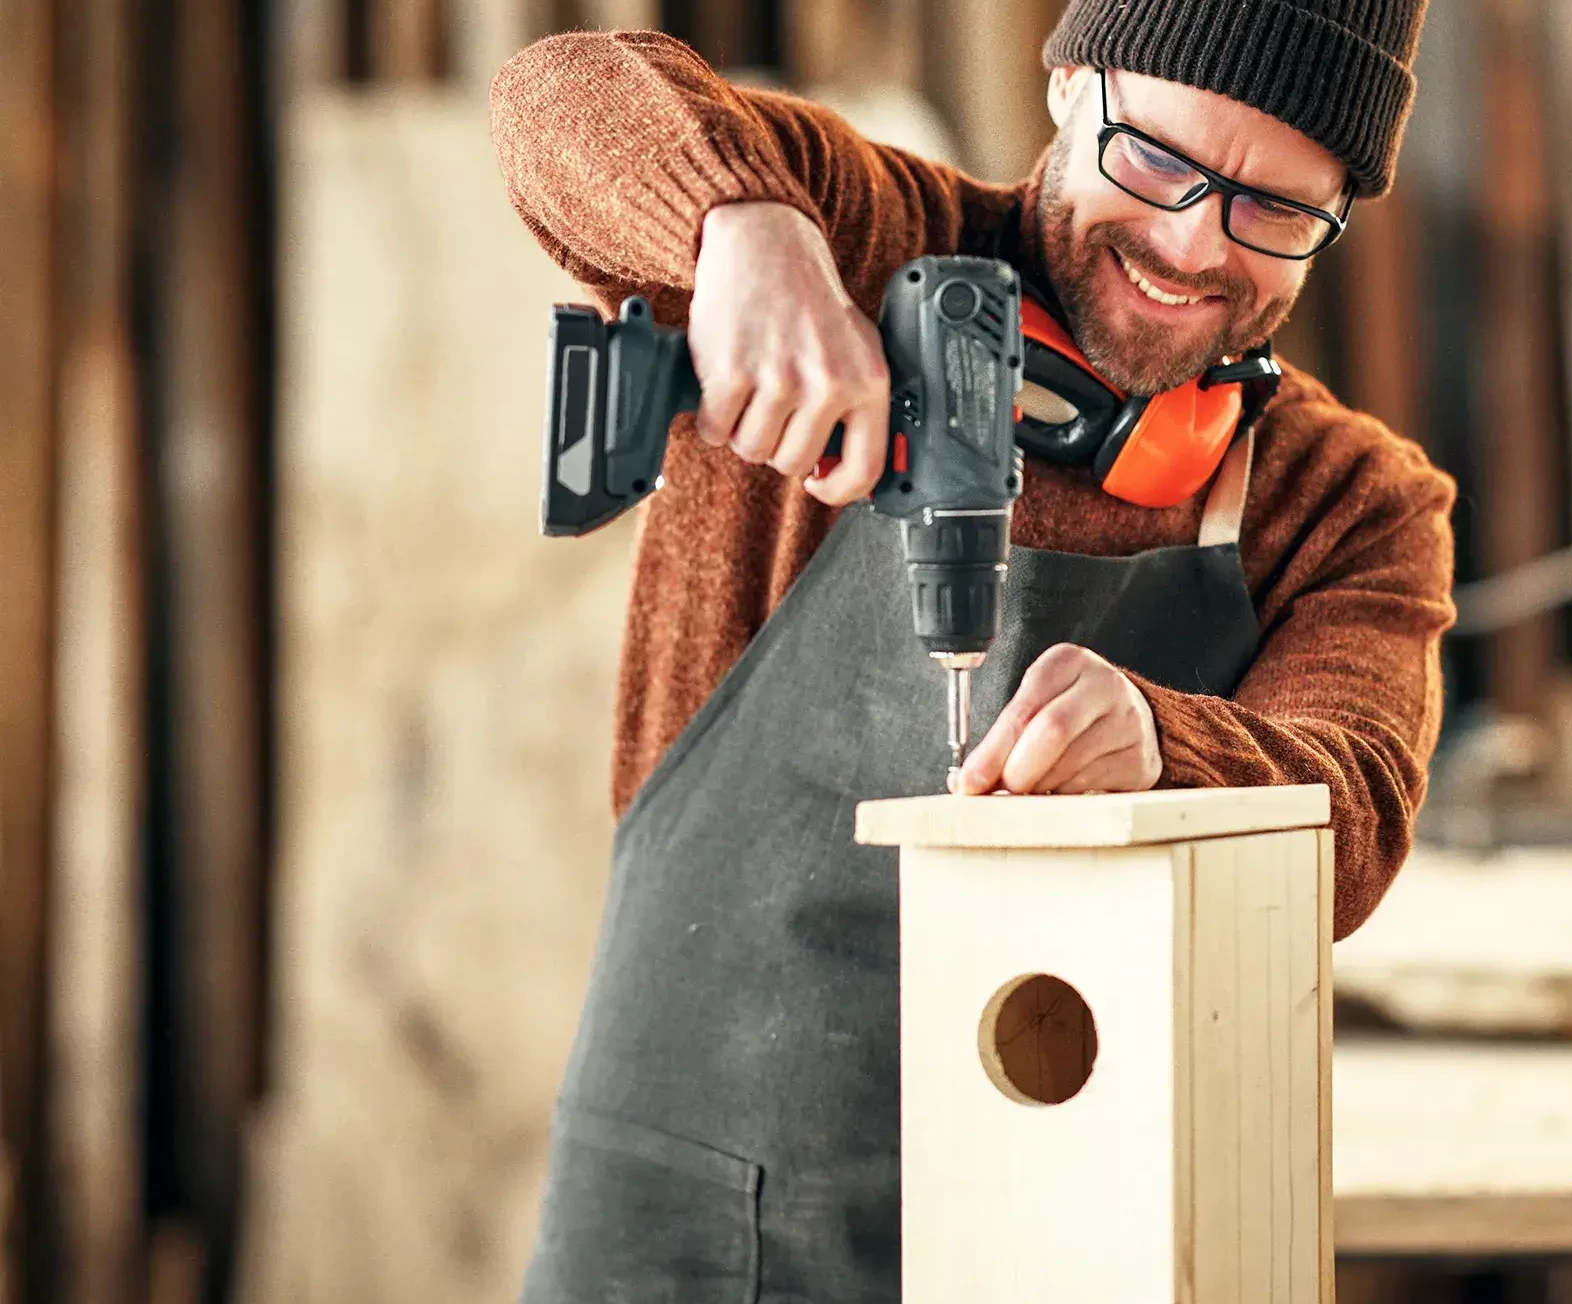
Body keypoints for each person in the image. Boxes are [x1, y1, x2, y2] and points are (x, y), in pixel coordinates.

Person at [491, 0, 1451, 1297]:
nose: (1189, 244)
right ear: (1070, 85)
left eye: (1272, 212)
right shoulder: (859, 236)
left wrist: (1168, 749)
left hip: (1078, 1237)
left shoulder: (1344, 498)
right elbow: (562, 94)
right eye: (1155, 159)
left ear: (1337, 209)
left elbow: (1354, 804)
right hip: (684, 1224)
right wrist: (744, 232)